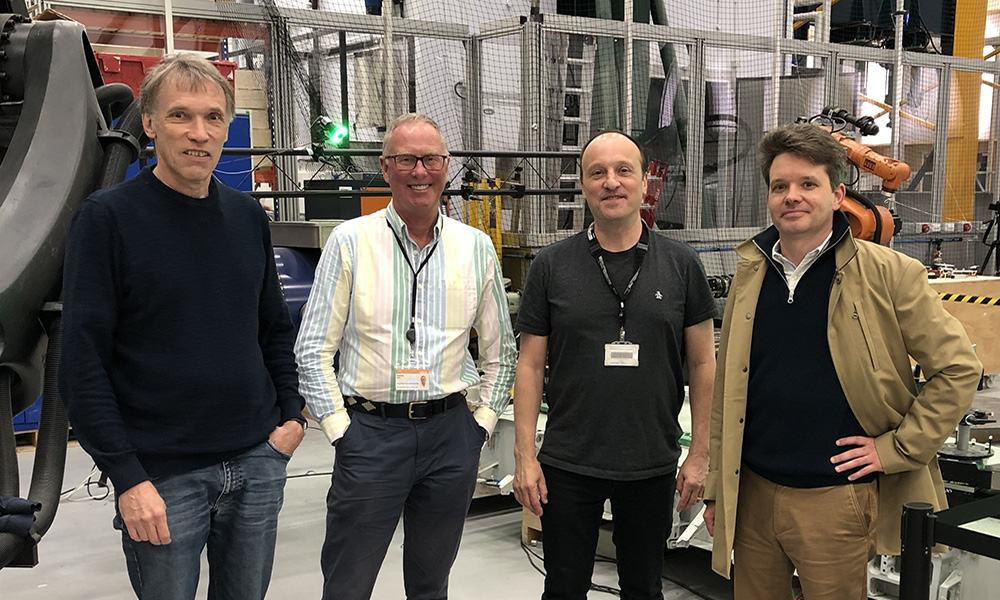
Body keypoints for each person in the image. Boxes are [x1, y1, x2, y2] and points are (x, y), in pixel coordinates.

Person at [59, 52, 306, 600]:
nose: (199, 133)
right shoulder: (107, 219)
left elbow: (272, 327)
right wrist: (126, 476)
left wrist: (290, 419)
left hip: (257, 462)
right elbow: (81, 362)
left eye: (213, 117)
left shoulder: (247, 217)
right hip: (162, 478)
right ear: (148, 124)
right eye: (180, 116)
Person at [703, 123, 982, 600]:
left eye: (807, 184)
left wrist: (895, 448)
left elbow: (958, 368)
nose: (792, 196)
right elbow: (729, 387)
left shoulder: (889, 274)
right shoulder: (750, 272)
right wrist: (717, 486)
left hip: (836, 499)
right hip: (751, 492)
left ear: (837, 195)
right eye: (780, 186)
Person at [295, 112, 517, 600]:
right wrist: (339, 430)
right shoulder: (349, 242)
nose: (421, 171)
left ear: (446, 165)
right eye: (407, 160)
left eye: (431, 159)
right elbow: (312, 349)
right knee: (347, 582)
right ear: (386, 166)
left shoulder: (476, 248)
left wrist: (479, 424)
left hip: (450, 435)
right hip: (370, 435)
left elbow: (504, 350)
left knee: (431, 582)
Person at [512, 130, 717, 600]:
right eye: (597, 173)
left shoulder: (682, 265)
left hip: (650, 462)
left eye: (624, 170)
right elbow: (529, 365)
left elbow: (704, 363)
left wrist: (701, 453)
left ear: (645, 182)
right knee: (563, 588)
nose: (611, 182)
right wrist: (525, 456)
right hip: (568, 463)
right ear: (583, 186)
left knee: (643, 589)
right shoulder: (551, 265)